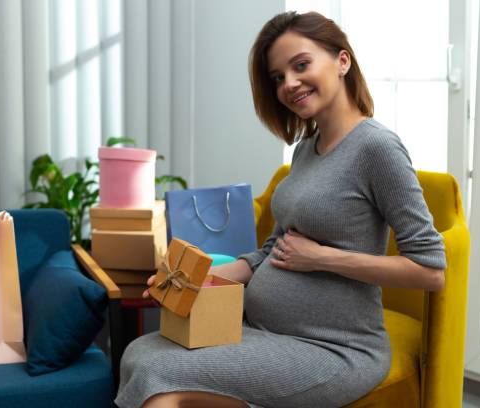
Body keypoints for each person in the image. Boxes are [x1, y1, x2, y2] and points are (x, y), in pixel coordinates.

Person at [114, 11, 446, 408]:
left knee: (161, 377)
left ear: (343, 61)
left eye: (301, 65)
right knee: (140, 353)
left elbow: (431, 270)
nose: (289, 83)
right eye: (277, 77)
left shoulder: (377, 148)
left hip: (333, 349)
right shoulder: (307, 149)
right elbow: (273, 251)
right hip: (264, 330)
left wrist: (324, 258)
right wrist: (195, 278)